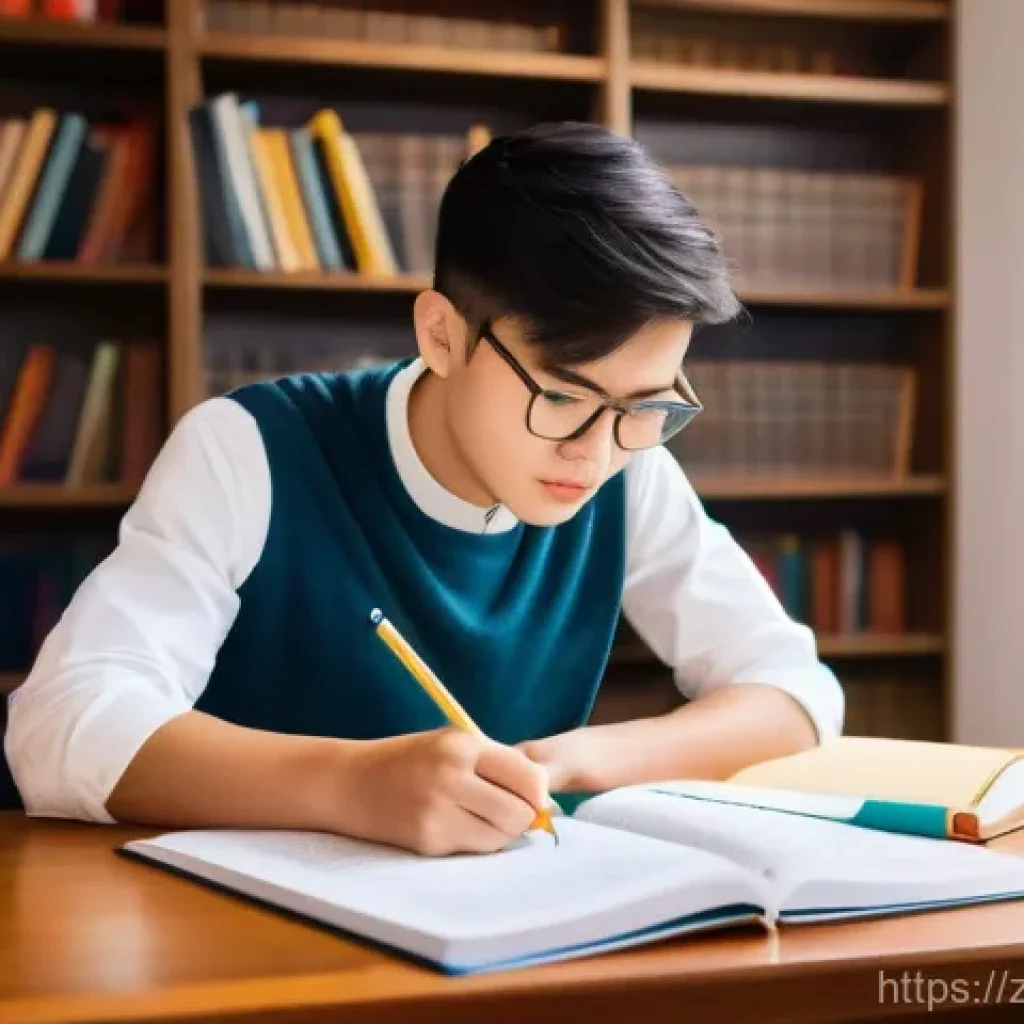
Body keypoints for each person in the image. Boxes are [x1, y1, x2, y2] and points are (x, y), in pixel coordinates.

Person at [3, 121, 843, 856]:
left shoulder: (630, 465)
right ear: (442, 333)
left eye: (648, 404)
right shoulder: (252, 450)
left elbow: (795, 690)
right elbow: (61, 728)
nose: (598, 451)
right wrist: (352, 785)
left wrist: (576, 761)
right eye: (562, 396)